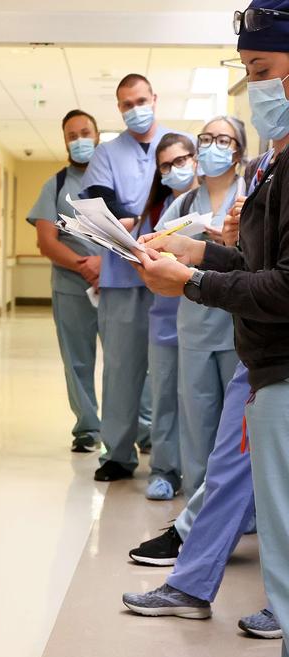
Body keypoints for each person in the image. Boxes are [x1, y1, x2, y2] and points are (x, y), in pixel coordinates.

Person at [134, 6, 289, 657]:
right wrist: (200, 253)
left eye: (262, 74)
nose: (254, 92)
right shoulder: (279, 164)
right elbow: (259, 266)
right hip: (271, 374)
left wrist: (191, 277)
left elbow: (287, 288)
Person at [80, 73, 187, 483]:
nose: (135, 109)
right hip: (123, 278)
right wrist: (124, 216)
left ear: (154, 99)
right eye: (126, 104)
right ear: (119, 108)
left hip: (175, 278)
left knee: (170, 375)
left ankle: (170, 458)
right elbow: (100, 201)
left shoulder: (177, 144)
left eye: (141, 100)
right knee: (121, 370)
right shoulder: (108, 152)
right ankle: (118, 454)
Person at [169, 117, 245, 500]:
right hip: (195, 323)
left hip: (237, 326)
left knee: (235, 425)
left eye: (223, 139)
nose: (213, 145)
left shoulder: (253, 194)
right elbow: (157, 246)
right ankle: (196, 502)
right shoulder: (183, 201)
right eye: (206, 139)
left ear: (238, 151)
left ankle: (237, 507)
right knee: (197, 418)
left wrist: (225, 245)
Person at [27, 109, 104, 453]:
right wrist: (84, 266)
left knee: (126, 360)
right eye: (71, 136)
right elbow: (46, 241)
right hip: (71, 285)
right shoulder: (56, 184)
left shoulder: (113, 178)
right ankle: (88, 428)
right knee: (77, 359)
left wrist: (107, 266)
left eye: (84, 132)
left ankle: (139, 429)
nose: (79, 140)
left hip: (116, 284)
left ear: (98, 135)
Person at [137, 133, 199, 501]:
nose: (174, 170)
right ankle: (163, 469)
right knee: (163, 396)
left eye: (180, 161)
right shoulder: (161, 213)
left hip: (207, 316)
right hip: (165, 317)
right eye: (165, 165)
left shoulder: (218, 202)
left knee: (199, 402)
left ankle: (199, 475)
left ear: (194, 159)